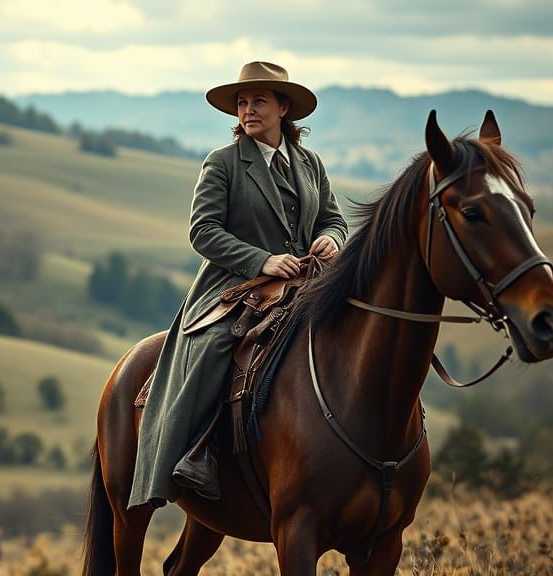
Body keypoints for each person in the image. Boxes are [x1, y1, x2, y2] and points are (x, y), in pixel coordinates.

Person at [128, 61, 348, 508]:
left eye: (259, 101)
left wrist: (329, 238)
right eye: (243, 103)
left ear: (284, 108)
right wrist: (262, 259)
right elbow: (202, 230)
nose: (248, 110)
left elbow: (334, 218)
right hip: (233, 287)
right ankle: (197, 451)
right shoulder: (224, 163)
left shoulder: (310, 163)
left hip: (305, 282)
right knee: (214, 345)